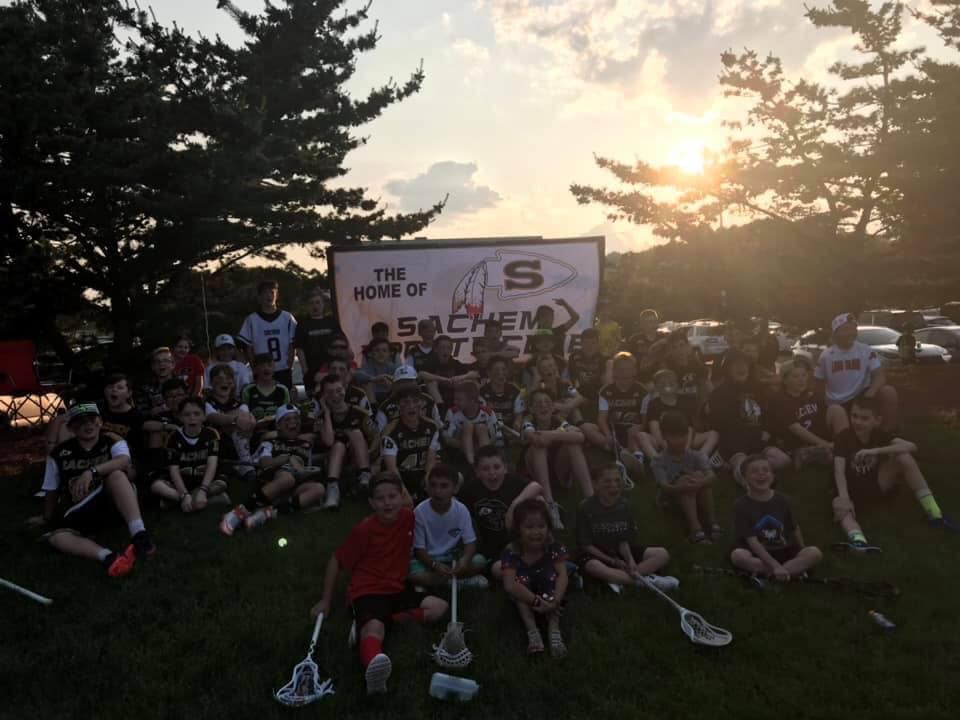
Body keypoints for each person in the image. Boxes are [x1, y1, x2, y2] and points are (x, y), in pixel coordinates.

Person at [310, 473, 448, 695]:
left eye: (392, 496)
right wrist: (325, 601)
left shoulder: (409, 517)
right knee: (375, 628)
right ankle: (373, 666)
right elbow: (336, 560)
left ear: (402, 497)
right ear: (371, 503)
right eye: (380, 499)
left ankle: (369, 625)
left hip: (397, 588)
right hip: (368, 591)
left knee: (439, 607)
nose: (387, 503)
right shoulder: (364, 530)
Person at [41, 403, 156, 577]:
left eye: (92, 420)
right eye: (81, 422)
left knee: (116, 474)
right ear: (71, 428)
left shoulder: (112, 440)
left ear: (100, 422)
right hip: (82, 508)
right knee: (56, 538)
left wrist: (92, 471)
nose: (88, 425)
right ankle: (109, 557)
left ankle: (139, 534)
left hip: (114, 500)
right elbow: (51, 488)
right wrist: (46, 517)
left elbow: (124, 461)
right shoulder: (58, 453)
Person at [832, 395, 957, 551]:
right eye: (854, 416)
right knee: (840, 505)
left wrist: (876, 451)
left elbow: (911, 446)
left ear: (877, 420)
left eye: (864, 418)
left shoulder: (879, 434)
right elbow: (838, 470)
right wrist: (844, 498)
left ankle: (935, 513)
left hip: (874, 483)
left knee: (904, 457)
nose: (858, 421)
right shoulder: (844, 437)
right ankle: (858, 541)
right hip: (849, 489)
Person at [219, 404, 327, 534]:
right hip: (272, 481)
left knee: (319, 489)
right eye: (287, 419)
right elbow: (264, 463)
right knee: (287, 478)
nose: (293, 422)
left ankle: (268, 513)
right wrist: (286, 459)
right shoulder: (271, 442)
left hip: (295, 483)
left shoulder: (305, 443)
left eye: (296, 418)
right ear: (278, 426)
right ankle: (238, 513)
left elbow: (325, 441)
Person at [576, 464, 678, 592]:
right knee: (593, 567)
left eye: (617, 480)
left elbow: (623, 541)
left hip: (619, 552)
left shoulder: (624, 506)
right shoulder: (585, 508)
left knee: (662, 554)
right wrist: (612, 561)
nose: (614, 485)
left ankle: (618, 579)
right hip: (597, 555)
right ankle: (646, 582)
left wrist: (630, 560)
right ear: (595, 484)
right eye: (607, 481)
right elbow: (586, 545)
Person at [457, 445, 544, 580]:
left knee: (539, 499)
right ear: (477, 472)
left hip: (517, 542)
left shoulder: (512, 482)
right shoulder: (471, 490)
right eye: (485, 469)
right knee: (498, 570)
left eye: (497, 467)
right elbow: (457, 508)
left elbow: (536, 486)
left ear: (505, 468)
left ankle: (536, 562)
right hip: (491, 547)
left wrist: (514, 506)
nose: (492, 472)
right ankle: (533, 573)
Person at [731, 455, 823, 579]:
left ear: (773, 476)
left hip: (783, 549)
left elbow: (794, 528)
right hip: (756, 551)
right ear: (744, 478)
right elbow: (752, 541)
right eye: (754, 471)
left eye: (766, 470)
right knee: (738, 556)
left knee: (815, 553)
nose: (761, 474)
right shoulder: (741, 505)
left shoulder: (783, 500)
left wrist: (802, 549)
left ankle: (772, 573)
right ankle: (787, 572)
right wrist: (775, 565)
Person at [706, 350, 789, 486]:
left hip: (759, 441)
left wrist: (766, 431)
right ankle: (753, 485)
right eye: (736, 364)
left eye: (744, 364)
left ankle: (754, 469)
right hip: (735, 444)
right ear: (727, 368)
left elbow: (767, 415)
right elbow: (720, 425)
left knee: (783, 461)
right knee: (742, 468)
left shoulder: (758, 389)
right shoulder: (719, 394)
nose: (741, 367)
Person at [500, 499, 569, 658]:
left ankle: (554, 630)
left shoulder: (553, 547)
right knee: (520, 587)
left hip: (548, 587)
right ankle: (532, 631)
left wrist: (555, 602)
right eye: (529, 527)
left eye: (541, 526)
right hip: (526, 591)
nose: (536, 532)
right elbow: (509, 585)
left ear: (548, 527)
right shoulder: (512, 551)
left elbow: (562, 575)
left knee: (552, 580)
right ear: (518, 529)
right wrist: (536, 602)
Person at [520, 389, 592, 531]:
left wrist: (552, 434)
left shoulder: (558, 420)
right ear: (531, 409)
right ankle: (549, 504)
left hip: (558, 472)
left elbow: (580, 437)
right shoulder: (528, 421)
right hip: (535, 477)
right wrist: (560, 433)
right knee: (538, 447)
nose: (543, 406)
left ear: (553, 407)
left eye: (547, 402)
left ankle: (591, 499)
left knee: (573, 444)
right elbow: (536, 439)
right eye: (538, 403)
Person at [408, 464, 489, 589]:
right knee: (411, 572)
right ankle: (456, 582)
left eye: (444, 486)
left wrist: (465, 560)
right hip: (428, 559)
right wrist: (434, 565)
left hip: (452, 556)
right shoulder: (419, 512)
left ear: (455, 488)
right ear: (427, 488)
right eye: (433, 485)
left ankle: (438, 582)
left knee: (479, 561)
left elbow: (470, 542)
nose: (437, 491)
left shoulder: (461, 510)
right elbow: (419, 549)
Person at [815, 313, 898, 433]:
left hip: (862, 396)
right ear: (836, 333)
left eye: (854, 328)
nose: (851, 332)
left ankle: (887, 434)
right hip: (838, 402)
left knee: (888, 391)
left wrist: (871, 392)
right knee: (842, 426)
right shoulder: (826, 355)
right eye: (846, 329)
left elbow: (880, 375)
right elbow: (818, 384)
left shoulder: (865, 349)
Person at [650, 412, 721, 544]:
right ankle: (696, 529)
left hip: (694, 493)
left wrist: (700, 483)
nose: (680, 440)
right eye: (674, 436)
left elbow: (712, 476)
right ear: (664, 436)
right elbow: (664, 486)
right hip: (669, 499)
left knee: (700, 476)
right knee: (686, 480)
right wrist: (682, 487)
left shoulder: (696, 455)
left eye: (683, 435)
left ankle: (712, 522)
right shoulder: (659, 460)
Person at [150, 396, 229, 512]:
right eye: (187, 414)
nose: (192, 418)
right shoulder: (174, 437)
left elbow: (212, 464)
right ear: (180, 417)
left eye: (197, 414)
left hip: (204, 479)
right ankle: (197, 500)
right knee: (156, 485)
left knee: (221, 483)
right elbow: (174, 470)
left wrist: (203, 490)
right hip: (182, 480)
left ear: (204, 416)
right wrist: (184, 494)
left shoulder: (211, 434)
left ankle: (177, 503)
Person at [770, 358, 848, 469]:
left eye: (804, 375)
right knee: (828, 454)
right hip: (798, 444)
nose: (801, 380)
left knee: (836, 409)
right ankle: (837, 453)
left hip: (820, 438)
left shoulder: (811, 395)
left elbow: (825, 417)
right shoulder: (780, 400)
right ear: (785, 380)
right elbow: (796, 429)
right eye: (795, 376)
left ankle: (845, 444)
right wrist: (825, 444)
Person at [314, 373, 378, 507]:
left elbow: (376, 436)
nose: (335, 395)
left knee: (355, 433)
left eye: (339, 390)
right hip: (335, 462)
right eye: (330, 392)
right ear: (323, 396)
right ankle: (332, 489)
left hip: (358, 459)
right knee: (338, 445)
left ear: (345, 390)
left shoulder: (359, 413)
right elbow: (328, 442)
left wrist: (370, 453)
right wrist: (326, 413)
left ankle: (365, 475)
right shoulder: (321, 417)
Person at [584, 352, 646, 475]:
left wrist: (639, 428)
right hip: (613, 429)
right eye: (621, 369)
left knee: (633, 432)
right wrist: (608, 434)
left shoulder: (642, 390)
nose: (625, 373)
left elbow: (645, 420)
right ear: (614, 372)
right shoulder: (605, 391)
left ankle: (636, 459)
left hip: (633, 430)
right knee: (588, 428)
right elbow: (602, 418)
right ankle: (618, 451)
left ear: (634, 371)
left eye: (628, 369)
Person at [638, 369, 719, 463]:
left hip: (685, 437)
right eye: (662, 382)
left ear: (677, 385)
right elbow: (655, 430)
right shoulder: (653, 404)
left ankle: (698, 460)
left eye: (671, 382)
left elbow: (690, 428)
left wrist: (685, 450)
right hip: (664, 438)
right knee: (641, 436)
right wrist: (669, 448)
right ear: (656, 387)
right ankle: (659, 462)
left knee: (714, 434)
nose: (667, 384)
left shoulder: (686, 401)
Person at [381, 385, 442, 499]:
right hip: (399, 477)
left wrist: (427, 483)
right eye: (406, 402)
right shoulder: (390, 431)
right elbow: (391, 468)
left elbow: (430, 461)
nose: (411, 406)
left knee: (455, 478)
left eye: (415, 401)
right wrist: (404, 492)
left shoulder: (432, 426)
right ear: (398, 405)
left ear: (422, 403)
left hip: (422, 474)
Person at [237, 279, 298, 389]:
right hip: (261, 371)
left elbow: (292, 345)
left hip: (282, 369)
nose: (269, 296)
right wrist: (254, 367)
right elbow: (247, 347)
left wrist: (289, 364)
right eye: (265, 293)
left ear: (277, 295)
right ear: (259, 297)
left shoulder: (287, 318)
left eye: (272, 292)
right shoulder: (252, 320)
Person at [204, 364, 257, 479]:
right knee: (236, 420)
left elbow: (248, 419)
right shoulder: (207, 403)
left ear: (233, 383)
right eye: (219, 378)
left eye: (228, 378)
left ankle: (245, 463)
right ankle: (246, 464)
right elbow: (212, 417)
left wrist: (250, 422)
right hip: (216, 441)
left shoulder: (239, 403)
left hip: (240, 437)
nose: (224, 381)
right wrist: (235, 419)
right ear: (211, 383)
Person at [293, 288, 342, 396]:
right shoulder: (302, 325)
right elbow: (299, 350)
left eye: (318, 302)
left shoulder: (332, 322)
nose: (315, 306)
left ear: (323, 304)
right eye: (311, 303)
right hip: (312, 371)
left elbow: (342, 344)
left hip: (332, 370)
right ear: (307, 306)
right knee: (315, 400)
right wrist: (305, 371)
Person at [442, 381, 500, 466]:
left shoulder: (488, 412)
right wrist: (468, 446)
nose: (455, 402)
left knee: (481, 427)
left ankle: (485, 462)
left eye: (459, 400)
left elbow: (495, 436)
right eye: (455, 399)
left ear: (472, 400)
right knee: (468, 425)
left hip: (482, 445)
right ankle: (472, 464)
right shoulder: (452, 412)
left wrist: (477, 447)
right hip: (461, 448)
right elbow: (447, 439)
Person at [374, 365, 442, 432]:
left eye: (409, 381)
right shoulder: (385, 406)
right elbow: (379, 433)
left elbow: (439, 426)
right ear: (395, 384)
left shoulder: (428, 400)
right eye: (402, 382)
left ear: (416, 382)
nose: (406, 385)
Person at [417, 335, 476, 407]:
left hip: (454, 395)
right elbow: (421, 374)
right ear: (436, 349)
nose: (446, 350)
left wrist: (461, 377)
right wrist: (443, 379)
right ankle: (441, 408)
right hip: (436, 397)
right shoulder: (430, 362)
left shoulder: (455, 363)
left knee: (467, 381)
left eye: (448, 348)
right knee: (431, 382)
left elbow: (474, 374)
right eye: (442, 347)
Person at [662, 329, 710, 416]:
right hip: (676, 406)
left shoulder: (695, 362)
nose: (679, 350)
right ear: (670, 351)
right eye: (674, 347)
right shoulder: (667, 367)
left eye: (681, 345)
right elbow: (667, 391)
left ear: (687, 346)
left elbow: (706, 385)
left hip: (697, 403)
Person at [567, 328, 610, 423]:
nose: (589, 346)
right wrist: (575, 394)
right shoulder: (573, 357)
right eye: (586, 343)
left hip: (597, 396)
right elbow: (570, 382)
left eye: (593, 343)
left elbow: (607, 386)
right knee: (570, 399)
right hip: (578, 393)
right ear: (581, 343)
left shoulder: (605, 359)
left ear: (598, 343)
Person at [241, 353, 291, 428]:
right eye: (262, 366)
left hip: (276, 430)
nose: (266, 368)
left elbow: (287, 414)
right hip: (254, 430)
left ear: (274, 368)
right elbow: (243, 414)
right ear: (255, 369)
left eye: (269, 365)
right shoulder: (248, 390)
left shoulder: (283, 390)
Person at [479, 357, 524, 432]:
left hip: (511, 431)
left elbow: (518, 417)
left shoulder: (515, 391)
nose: (500, 373)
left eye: (503, 369)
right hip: (490, 430)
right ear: (489, 373)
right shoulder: (482, 393)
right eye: (496, 370)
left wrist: (516, 426)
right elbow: (482, 419)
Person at [353, 337, 400, 404]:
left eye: (384, 351)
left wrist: (392, 386)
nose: (381, 353)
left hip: (391, 399)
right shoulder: (367, 367)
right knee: (367, 383)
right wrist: (374, 379)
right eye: (377, 350)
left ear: (390, 354)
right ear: (370, 353)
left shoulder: (395, 368)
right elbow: (357, 375)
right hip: (372, 400)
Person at [136, 346, 177, 417]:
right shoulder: (144, 388)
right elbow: (141, 413)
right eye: (157, 361)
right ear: (152, 366)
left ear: (173, 365)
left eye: (166, 361)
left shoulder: (182, 384)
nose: (161, 364)